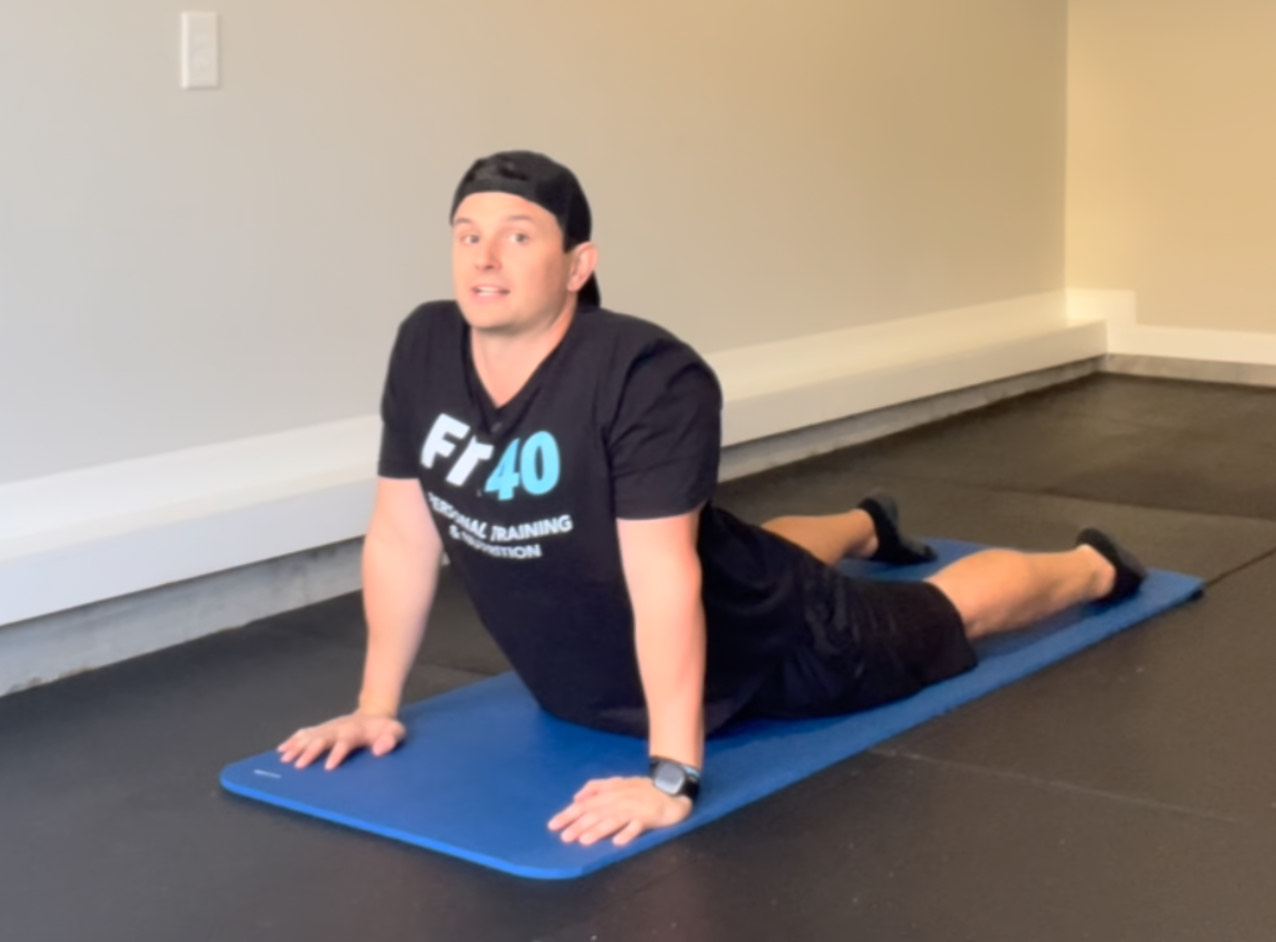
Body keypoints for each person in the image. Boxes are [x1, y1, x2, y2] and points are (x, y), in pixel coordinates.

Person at [278, 150, 1147, 849]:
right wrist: (375, 706)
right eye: (467, 235)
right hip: (592, 669)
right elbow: (401, 531)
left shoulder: (647, 376)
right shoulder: (426, 343)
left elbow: (664, 581)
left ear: (579, 264)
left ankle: (1092, 566)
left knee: (934, 614)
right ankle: (866, 523)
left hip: (759, 651)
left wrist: (670, 775)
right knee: (723, 543)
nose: (485, 257)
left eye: (518, 236)